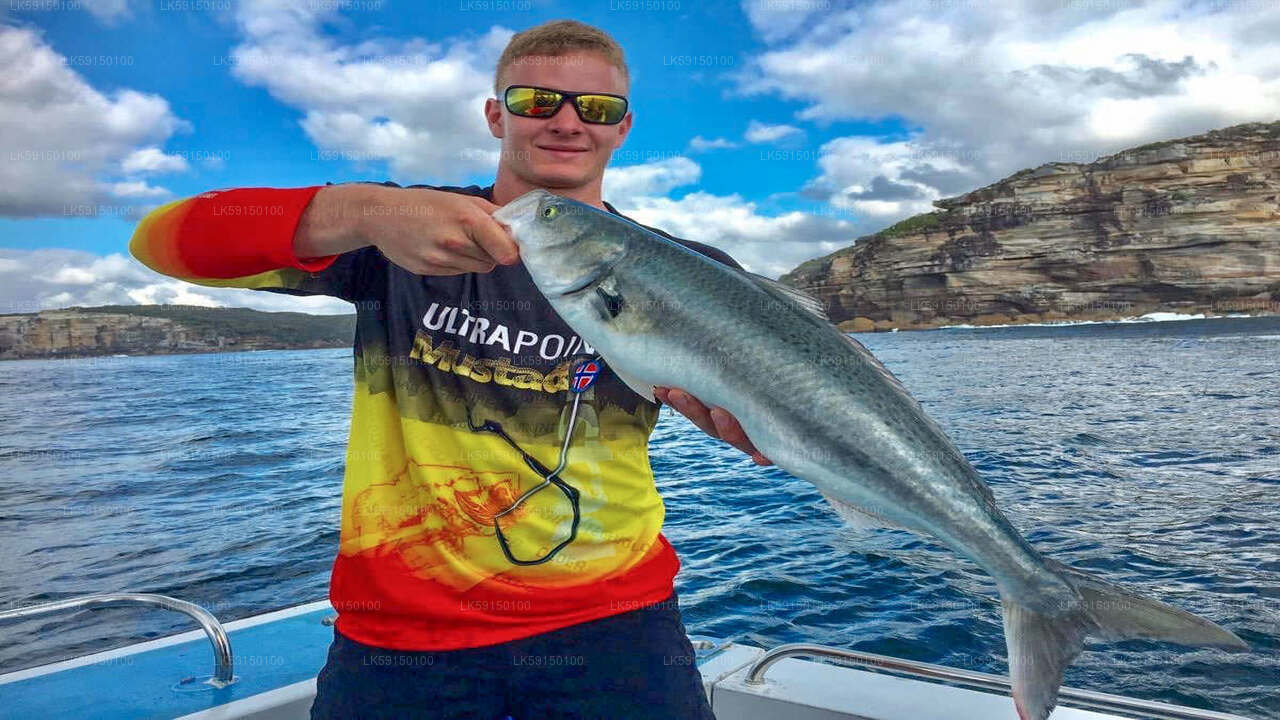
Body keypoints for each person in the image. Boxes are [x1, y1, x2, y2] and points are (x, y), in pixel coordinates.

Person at [130, 18, 770, 720]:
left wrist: (771, 434)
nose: (565, 122)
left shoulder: (691, 275)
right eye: (535, 101)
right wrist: (367, 210)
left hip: (620, 626)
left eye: (595, 108)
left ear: (622, 127)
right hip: (402, 638)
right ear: (496, 115)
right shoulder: (401, 232)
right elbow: (162, 242)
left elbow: (788, 412)